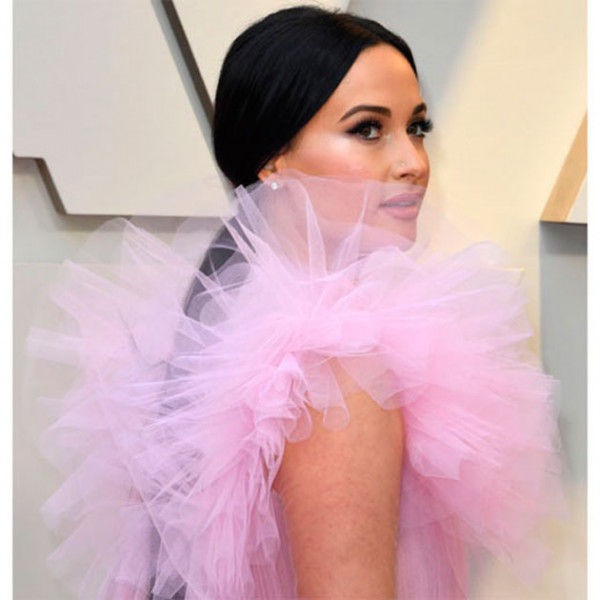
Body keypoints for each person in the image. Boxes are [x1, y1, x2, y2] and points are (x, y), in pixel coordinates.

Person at [28, 6, 563, 600]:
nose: (414, 163)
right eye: (368, 129)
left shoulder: (216, 322)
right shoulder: (336, 373)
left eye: (417, 127)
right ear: (273, 157)